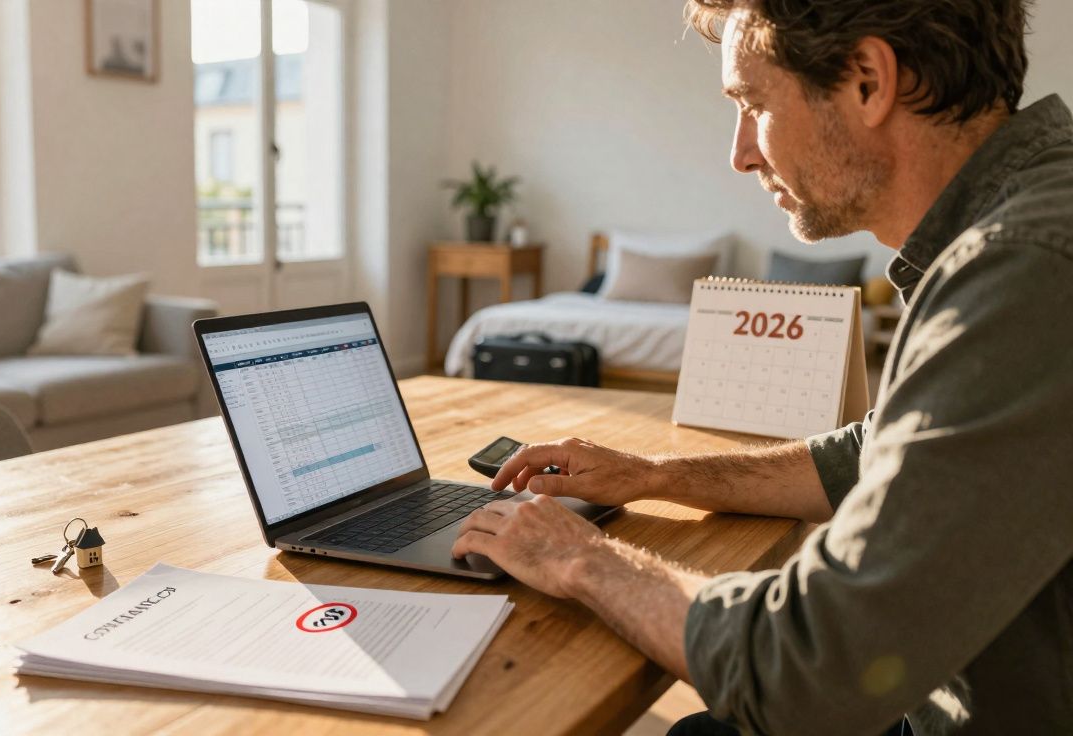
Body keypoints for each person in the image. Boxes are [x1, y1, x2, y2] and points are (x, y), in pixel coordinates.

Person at [450, 0, 1073, 733]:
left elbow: (813, 667)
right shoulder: (1024, 218)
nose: (741, 152)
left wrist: (582, 558)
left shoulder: (1024, 270)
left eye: (752, 103)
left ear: (869, 81)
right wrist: (654, 474)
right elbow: (876, 449)